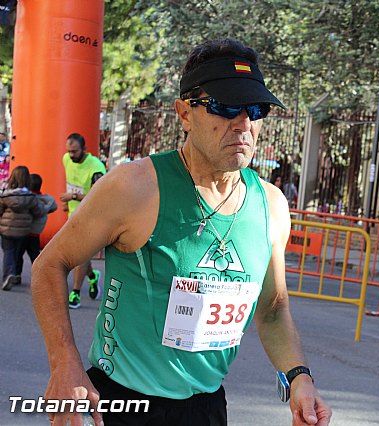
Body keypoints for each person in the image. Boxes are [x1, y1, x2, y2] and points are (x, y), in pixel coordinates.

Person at [31, 38, 331, 426]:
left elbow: (272, 309)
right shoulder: (135, 187)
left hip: (206, 407)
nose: (243, 123)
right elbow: (49, 264)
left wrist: (299, 378)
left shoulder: (270, 205)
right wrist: (64, 365)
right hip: (119, 404)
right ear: (184, 113)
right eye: (223, 107)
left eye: (255, 110)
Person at [59, 133, 106, 308]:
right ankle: (93, 277)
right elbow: (70, 181)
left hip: (92, 217)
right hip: (73, 216)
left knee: (80, 256)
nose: (71, 155)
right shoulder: (66, 159)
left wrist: (74, 196)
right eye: (69, 151)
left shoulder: (96, 167)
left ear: (84, 149)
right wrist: (67, 203)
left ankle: (76, 293)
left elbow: (99, 198)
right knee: (81, 256)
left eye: (74, 151)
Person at [1, 166, 44, 291]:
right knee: (18, 252)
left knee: (8, 252)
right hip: (24, 230)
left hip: (6, 229)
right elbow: (38, 212)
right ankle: (19, 274)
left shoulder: (5, 195)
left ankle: (9, 274)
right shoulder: (31, 197)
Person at [14, 173, 58, 285]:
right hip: (35, 234)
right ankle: (40, 277)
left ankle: (17, 275)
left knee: (18, 255)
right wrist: (45, 210)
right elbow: (53, 205)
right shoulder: (44, 200)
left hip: (22, 232)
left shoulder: (26, 199)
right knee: (35, 257)